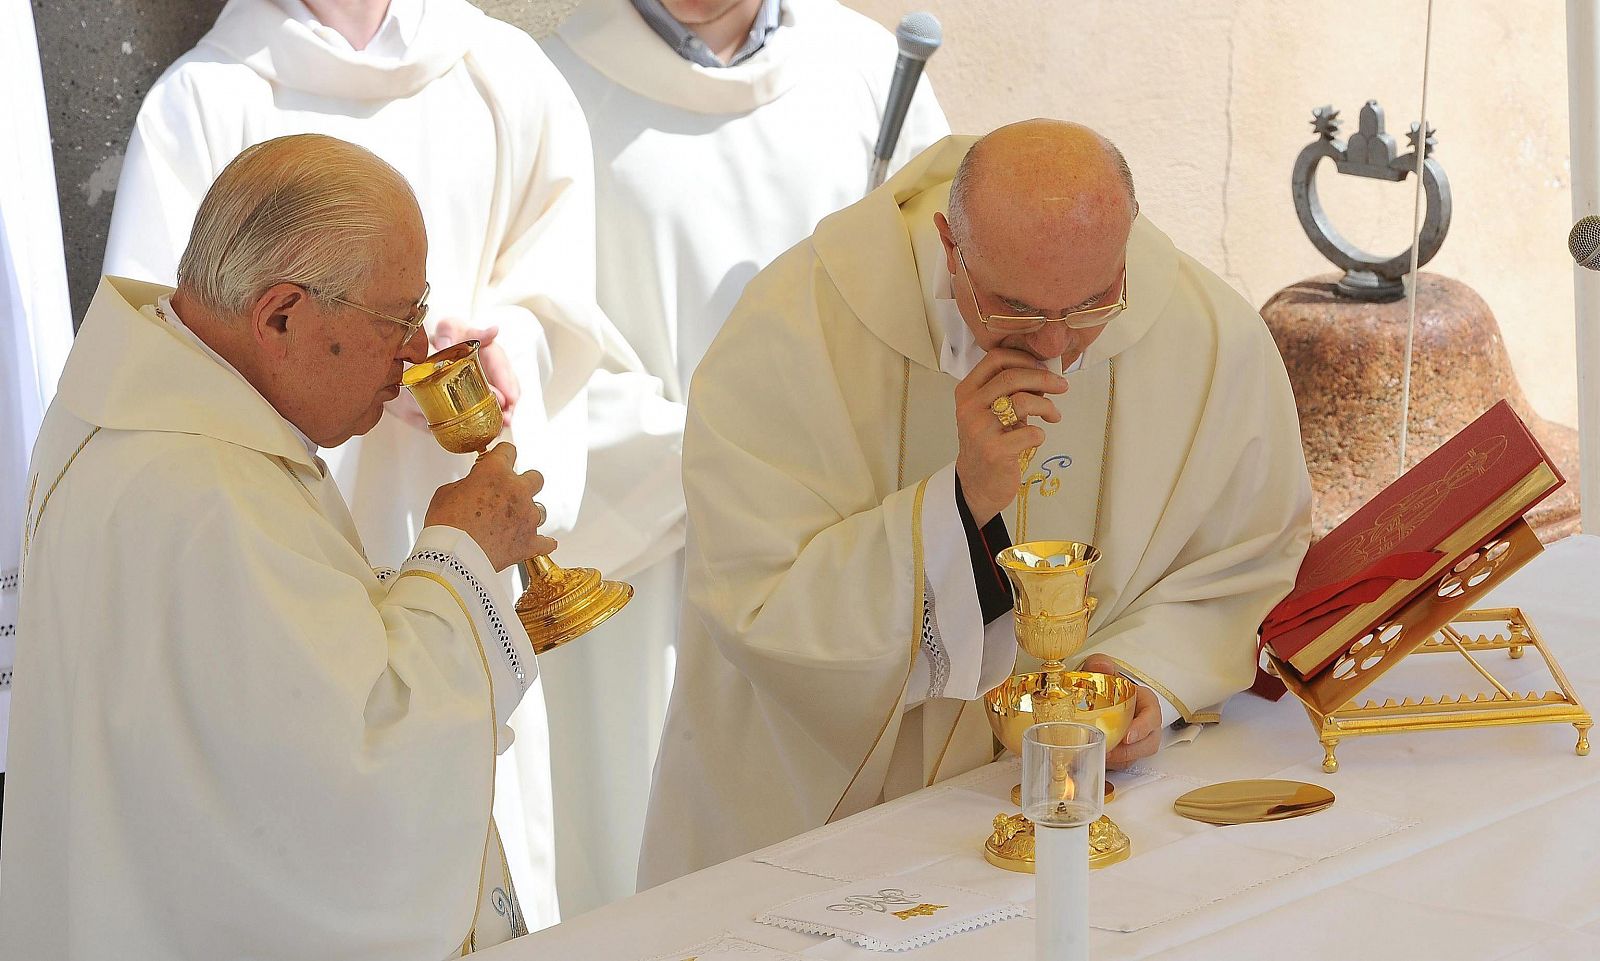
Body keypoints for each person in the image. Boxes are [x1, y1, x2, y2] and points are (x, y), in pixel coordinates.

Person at [639, 120, 1314, 885]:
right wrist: (961, 502)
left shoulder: (1204, 330)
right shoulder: (795, 328)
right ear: (948, 247)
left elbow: (1249, 550)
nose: (1057, 347)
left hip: (1097, 815)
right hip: (830, 824)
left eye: (1093, 302)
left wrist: (1140, 676)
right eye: (1017, 309)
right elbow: (755, 595)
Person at [99, 0, 647, 921]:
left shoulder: (502, 75)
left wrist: (514, 344)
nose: (406, 348)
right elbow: (180, 371)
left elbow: (561, 299)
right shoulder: (205, 100)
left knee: (464, 808)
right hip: (277, 549)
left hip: (461, 525)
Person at [1, 134, 552, 960]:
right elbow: (362, 777)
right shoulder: (205, 494)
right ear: (281, 314)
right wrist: (461, 557)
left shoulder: (140, 411)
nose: (414, 353)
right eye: (397, 318)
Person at [539, 0, 947, 909]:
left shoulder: (871, 69)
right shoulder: (556, 89)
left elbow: (948, 285)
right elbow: (540, 341)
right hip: (648, 560)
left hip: (838, 538)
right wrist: (731, 458)